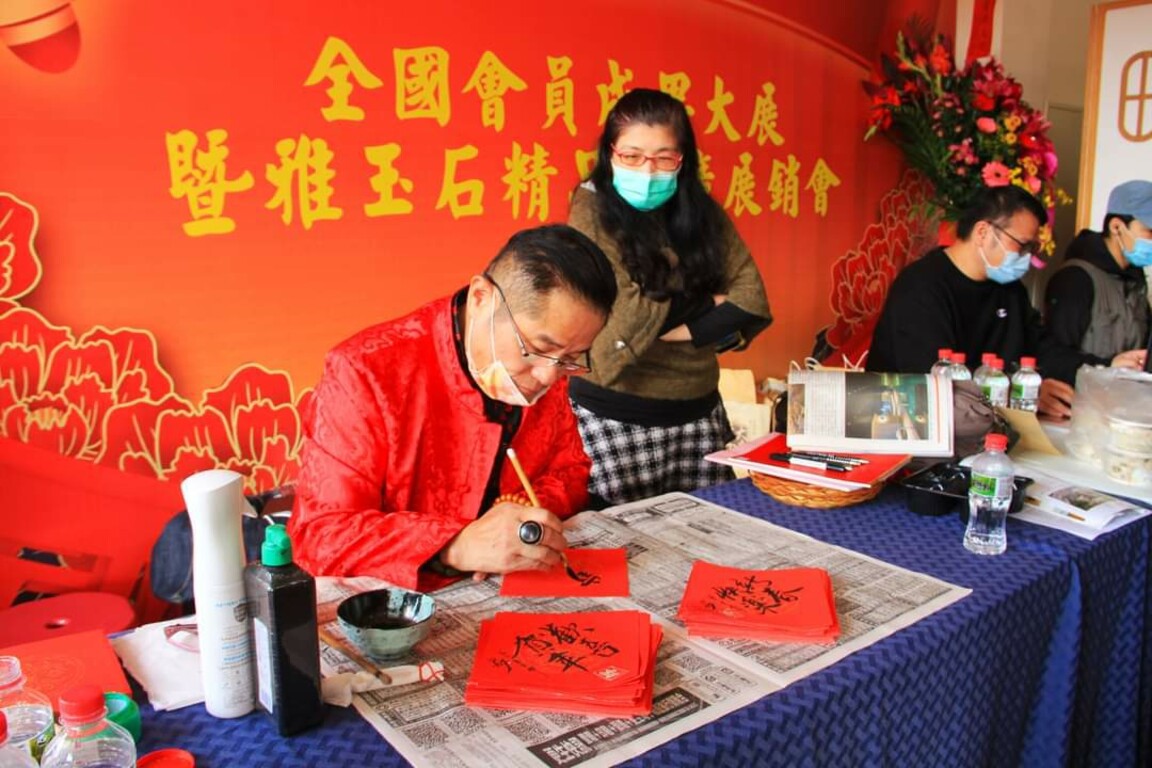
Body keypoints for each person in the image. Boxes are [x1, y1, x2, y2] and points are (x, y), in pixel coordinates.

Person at [286, 225, 618, 590]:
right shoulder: (365, 372)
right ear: (481, 298)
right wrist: (457, 545)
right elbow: (320, 535)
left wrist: (515, 521)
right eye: (536, 349)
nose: (547, 375)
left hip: (509, 586)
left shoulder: (549, 369)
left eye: (570, 358)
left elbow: (570, 471)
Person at [566, 88, 772, 505]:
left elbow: (750, 297)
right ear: (610, 154)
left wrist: (677, 320)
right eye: (632, 156)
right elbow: (622, 310)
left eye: (663, 158)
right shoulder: (590, 208)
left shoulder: (702, 211)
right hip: (612, 413)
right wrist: (705, 300)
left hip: (698, 413)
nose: (647, 170)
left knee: (708, 530)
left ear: (683, 158)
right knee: (612, 536)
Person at [866, 185, 1074, 417]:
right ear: (983, 232)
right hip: (909, 422)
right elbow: (935, 377)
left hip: (985, 423)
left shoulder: (1011, 291)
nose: (1027, 256)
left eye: (1033, 248)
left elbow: (1044, 348)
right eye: (1022, 245)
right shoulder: (921, 286)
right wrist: (1020, 392)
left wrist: (1097, 369)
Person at [1040, 179, 1151, 385]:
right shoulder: (1075, 279)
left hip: (1125, 398)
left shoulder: (1137, 283)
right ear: (1116, 226)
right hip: (1080, 398)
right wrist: (1108, 365)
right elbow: (1053, 357)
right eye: (1150, 232)